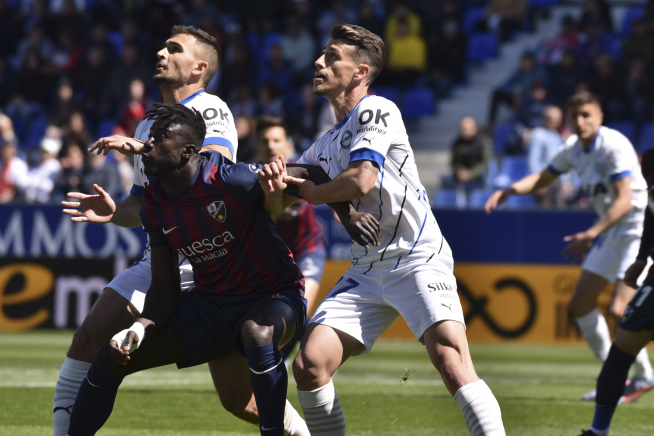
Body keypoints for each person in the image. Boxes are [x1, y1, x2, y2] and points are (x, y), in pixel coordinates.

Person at [53, 25, 310, 436]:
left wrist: (142, 148)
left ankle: (297, 432)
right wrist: (116, 210)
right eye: (162, 46)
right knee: (91, 341)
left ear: (199, 67)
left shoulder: (210, 109)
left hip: (215, 258)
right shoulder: (146, 124)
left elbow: (210, 173)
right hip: (171, 251)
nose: (160, 52)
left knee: (236, 398)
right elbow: (146, 205)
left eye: (173, 49)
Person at [269, 24, 506, 435]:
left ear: (361, 71)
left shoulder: (378, 110)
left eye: (331, 56)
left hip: (418, 257)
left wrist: (314, 192)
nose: (318, 62)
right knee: (309, 364)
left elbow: (361, 179)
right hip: (365, 269)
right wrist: (269, 180)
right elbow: (281, 195)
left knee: (451, 359)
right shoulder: (322, 144)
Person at [485, 91, 654, 402]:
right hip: (609, 232)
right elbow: (542, 177)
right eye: (575, 116)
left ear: (600, 117)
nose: (580, 121)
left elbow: (626, 201)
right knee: (579, 305)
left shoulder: (613, 145)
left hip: (636, 230)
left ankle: (643, 377)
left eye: (587, 114)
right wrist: (510, 189)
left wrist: (591, 234)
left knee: (619, 310)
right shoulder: (573, 148)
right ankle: (614, 375)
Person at [577, 148, 654, 435]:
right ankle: (598, 431)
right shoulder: (650, 159)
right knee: (622, 347)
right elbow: (651, 209)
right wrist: (642, 257)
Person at [256, 116, 327, 362]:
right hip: (274, 258)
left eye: (277, 140)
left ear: (288, 145)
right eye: (265, 141)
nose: (271, 146)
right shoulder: (249, 178)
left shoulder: (302, 172)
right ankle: (271, 363)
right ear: (258, 146)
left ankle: (280, 362)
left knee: (300, 308)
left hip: (307, 250)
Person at [527, 106, 572, 208]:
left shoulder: (558, 137)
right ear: (546, 119)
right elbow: (533, 160)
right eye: (554, 119)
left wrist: (566, 182)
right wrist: (539, 182)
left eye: (559, 119)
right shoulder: (538, 134)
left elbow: (563, 161)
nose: (557, 122)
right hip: (544, 180)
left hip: (557, 181)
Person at [450, 116, 492, 190]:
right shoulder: (457, 143)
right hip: (462, 175)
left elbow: (486, 163)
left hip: (479, 174)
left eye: (466, 129)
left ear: (475, 129)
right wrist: (460, 171)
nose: (464, 131)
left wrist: (471, 174)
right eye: (462, 129)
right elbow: (454, 163)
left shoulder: (483, 142)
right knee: (446, 179)